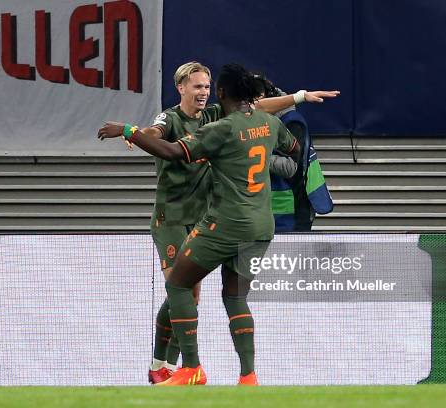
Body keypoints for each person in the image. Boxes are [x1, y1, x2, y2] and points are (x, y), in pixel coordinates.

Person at [98, 63, 301, 385]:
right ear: (181, 88)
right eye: (197, 86)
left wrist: (128, 131)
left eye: (207, 86)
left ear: (219, 92)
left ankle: (181, 367)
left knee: (182, 289)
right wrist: (143, 134)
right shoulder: (174, 117)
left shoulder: (217, 122)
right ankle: (191, 367)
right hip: (179, 218)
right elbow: (158, 133)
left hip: (217, 221)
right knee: (210, 295)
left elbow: (173, 150)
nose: (203, 91)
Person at [252, 75, 335, 231]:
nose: (253, 105)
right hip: (265, 211)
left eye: (257, 98)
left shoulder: (292, 122)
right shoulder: (250, 122)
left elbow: (290, 168)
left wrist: (252, 154)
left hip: (293, 210)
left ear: (269, 96)